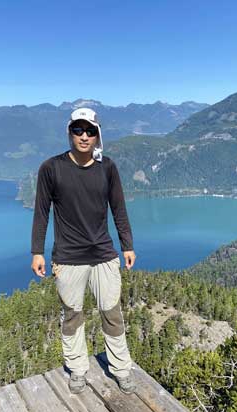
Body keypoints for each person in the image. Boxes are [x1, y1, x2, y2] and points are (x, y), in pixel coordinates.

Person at [30, 107, 137, 395]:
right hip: (68, 258)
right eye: (78, 129)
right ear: (69, 133)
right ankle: (77, 369)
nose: (84, 136)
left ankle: (121, 369)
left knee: (112, 314)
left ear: (97, 135)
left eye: (90, 130)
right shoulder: (51, 168)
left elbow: (119, 208)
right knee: (72, 316)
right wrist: (37, 251)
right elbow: (41, 211)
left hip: (104, 254)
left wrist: (127, 245)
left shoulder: (107, 168)